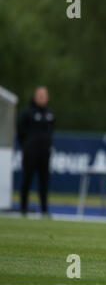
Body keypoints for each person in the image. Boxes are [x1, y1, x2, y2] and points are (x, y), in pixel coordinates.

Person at [17, 86, 55, 216]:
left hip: (45, 153)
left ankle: (44, 209)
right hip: (30, 153)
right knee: (27, 179)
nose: (42, 98)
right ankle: (23, 208)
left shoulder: (50, 113)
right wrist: (27, 146)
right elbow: (20, 132)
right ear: (35, 97)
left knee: (44, 182)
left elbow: (51, 130)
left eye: (44, 95)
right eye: (40, 95)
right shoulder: (27, 112)